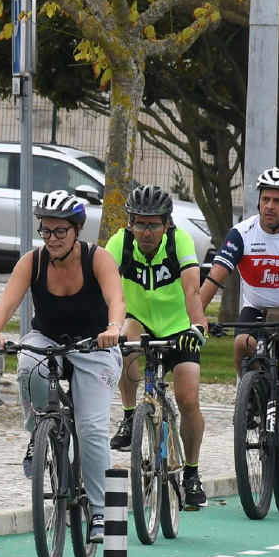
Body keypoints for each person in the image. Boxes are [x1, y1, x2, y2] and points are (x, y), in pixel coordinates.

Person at [0, 189, 125, 527]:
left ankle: (100, 511)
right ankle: (38, 433)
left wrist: (114, 327)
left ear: (77, 231)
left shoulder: (97, 258)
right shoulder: (33, 261)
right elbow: (5, 306)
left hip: (94, 344)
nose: (53, 238)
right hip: (47, 339)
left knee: (90, 428)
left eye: (61, 231)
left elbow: (116, 299)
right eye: (46, 230)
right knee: (28, 366)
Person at [197, 167, 279, 467]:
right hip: (257, 311)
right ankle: (251, 401)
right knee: (242, 344)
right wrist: (196, 317)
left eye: (278, 201)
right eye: (265, 199)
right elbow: (214, 279)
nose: (270, 206)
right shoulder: (242, 234)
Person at [106, 184, 210, 510]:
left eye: (153, 224)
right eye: (139, 223)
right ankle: (128, 416)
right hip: (139, 319)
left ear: (166, 224)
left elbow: (193, 291)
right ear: (130, 223)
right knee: (121, 343)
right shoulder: (120, 244)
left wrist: (197, 325)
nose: (145, 231)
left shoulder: (180, 242)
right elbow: (104, 288)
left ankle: (192, 474)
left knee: (187, 398)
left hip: (180, 325)